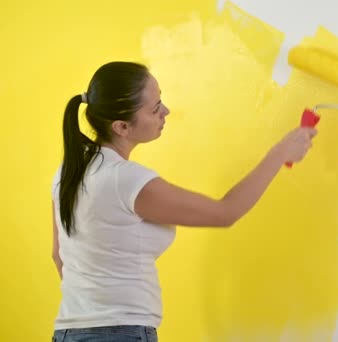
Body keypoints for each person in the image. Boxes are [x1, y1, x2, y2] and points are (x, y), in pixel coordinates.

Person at [50, 61, 317, 341]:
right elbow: (225, 213)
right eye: (155, 109)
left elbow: (59, 256)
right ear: (122, 127)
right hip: (120, 333)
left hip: (69, 332)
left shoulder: (68, 172)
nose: (166, 112)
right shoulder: (125, 180)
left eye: (161, 100)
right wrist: (281, 151)